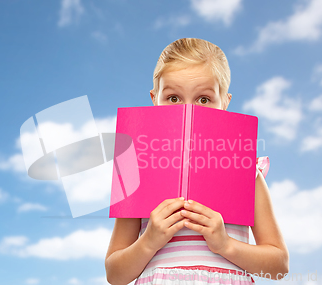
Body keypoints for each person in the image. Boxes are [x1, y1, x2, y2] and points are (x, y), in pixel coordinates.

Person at [104, 38, 289, 285]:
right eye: (173, 98)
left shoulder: (246, 171)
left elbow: (278, 267)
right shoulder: (136, 170)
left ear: (225, 102)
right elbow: (115, 275)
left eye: (204, 99)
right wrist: (149, 241)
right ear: (154, 99)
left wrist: (225, 244)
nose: (188, 111)